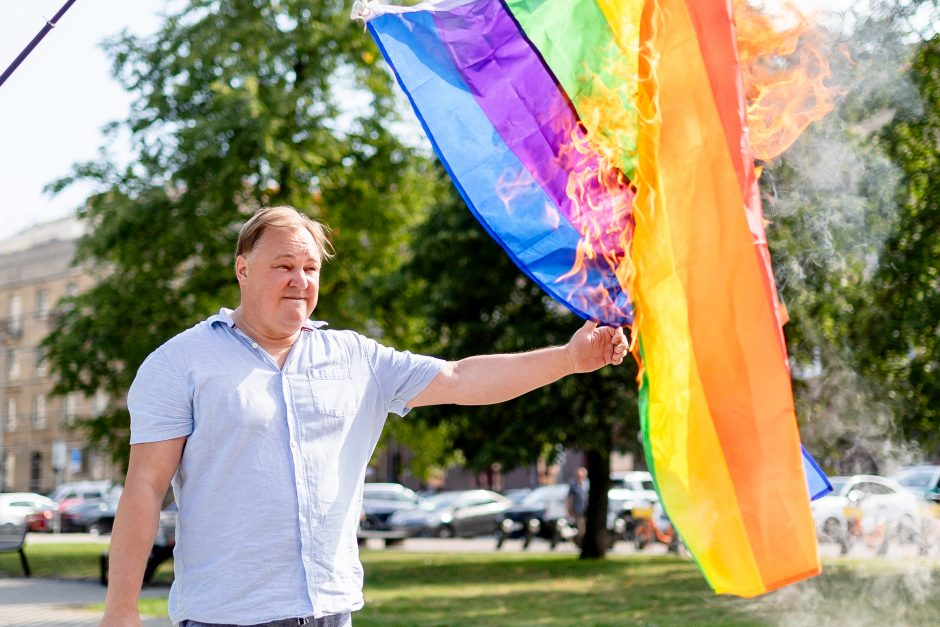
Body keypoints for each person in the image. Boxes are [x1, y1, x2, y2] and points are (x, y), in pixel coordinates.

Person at [101, 206, 629, 627]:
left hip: (332, 610)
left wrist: (568, 359)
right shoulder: (179, 363)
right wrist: (121, 610)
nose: (299, 280)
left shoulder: (355, 357)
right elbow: (145, 488)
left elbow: (460, 379)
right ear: (243, 269)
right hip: (227, 617)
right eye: (283, 266)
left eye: (310, 269)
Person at [567, 466, 590, 547]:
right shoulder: (573, 485)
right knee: (581, 529)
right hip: (578, 510)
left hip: (587, 510)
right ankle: (581, 544)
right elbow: (569, 497)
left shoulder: (587, 484)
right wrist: (569, 508)